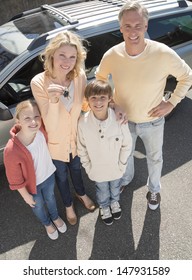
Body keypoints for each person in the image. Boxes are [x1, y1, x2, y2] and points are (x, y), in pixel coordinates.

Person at [96, 0, 192, 210]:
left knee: (155, 158)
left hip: (153, 121)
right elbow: (100, 80)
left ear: (146, 26)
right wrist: (112, 103)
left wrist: (172, 103)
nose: (133, 31)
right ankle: (126, 180)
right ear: (120, 28)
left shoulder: (162, 53)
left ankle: (154, 189)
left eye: (138, 25)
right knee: (125, 155)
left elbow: (187, 76)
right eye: (128, 26)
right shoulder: (112, 55)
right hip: (123, 121)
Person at [31, 31, 95, 226]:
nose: (67, 61)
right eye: (62, 55)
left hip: (75, 140)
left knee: (76, 169)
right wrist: (52, 101)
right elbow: (49, 122)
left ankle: (81, 193)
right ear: (52, 55)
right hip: (55, 144)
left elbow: (84, 106)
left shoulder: (79, 76)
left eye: (72, 57)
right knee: (61, 176)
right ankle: (68, 205)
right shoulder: (39, 82)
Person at [3, 100, 67, 240]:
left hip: (48, 176)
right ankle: (47, 223)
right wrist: (25, 195)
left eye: (36, 116)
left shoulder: (40, 130)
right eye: (27, 118)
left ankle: (55, 217)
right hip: (32, 186)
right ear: (18, 121)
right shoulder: (12, 149)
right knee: (38, 206)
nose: (33, 121)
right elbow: (14, 178)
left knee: (50, 198)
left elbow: (55, 116)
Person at [77, 80, 132, 225]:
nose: (98, 102)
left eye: (102, 97)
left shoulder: (118, 118)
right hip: (97, 170)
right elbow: (81, 148)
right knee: (102, 190)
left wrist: (122, 164)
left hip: (116, 167)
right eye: (93, 98)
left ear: (109, 99)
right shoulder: (83, 123)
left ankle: (114, 203)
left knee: (115, 187)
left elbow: (127, 144)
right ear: (87, 100)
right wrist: (88, 167)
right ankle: (104, 206)